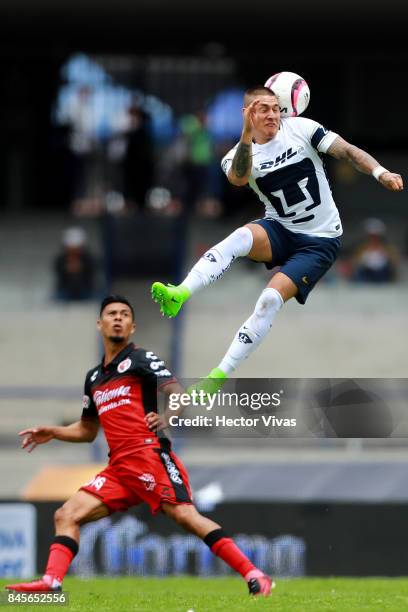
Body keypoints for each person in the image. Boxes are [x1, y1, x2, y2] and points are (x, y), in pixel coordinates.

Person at [5, 295, 273, 597]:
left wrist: (166, 417)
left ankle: (255, 575)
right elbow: (87, 430)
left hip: (148, 456)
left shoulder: (142, 359)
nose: (117, 318)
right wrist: (53, 432)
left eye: (124, 314)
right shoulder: (93, 378)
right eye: (111, 313)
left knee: (185, 516)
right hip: (119, 468)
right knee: (66, 515)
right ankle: (52, 583)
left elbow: (178, 393)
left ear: (132, 326)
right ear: (99, 323)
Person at [151, 86, 403, 386]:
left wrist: (380, 172)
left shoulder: (302, 129)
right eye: (263, 109)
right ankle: (180, 293)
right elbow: (238, 178)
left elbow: (347, 150)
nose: (272, 114)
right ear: (248, 115)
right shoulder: (237, 154)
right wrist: (246, 136)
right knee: (240, 237)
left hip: (320, 241)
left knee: (269, 300)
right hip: (281, 227)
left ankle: (216, 377)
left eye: (275, 107)